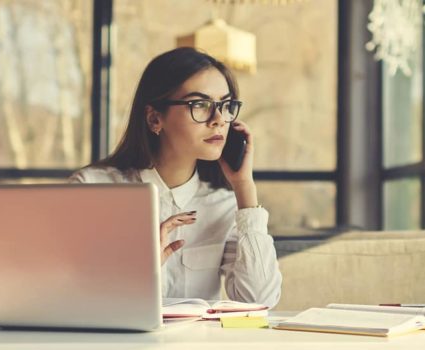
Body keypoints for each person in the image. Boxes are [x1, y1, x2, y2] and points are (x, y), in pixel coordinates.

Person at [70, 47, 282, 308]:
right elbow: (66, 292)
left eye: (226, 105)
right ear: (154, 118)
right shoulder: (92, 189)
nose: (218, 120)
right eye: (200, 105)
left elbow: (259, 301)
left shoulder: (225, 205)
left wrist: (244, 187)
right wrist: (137, 269)